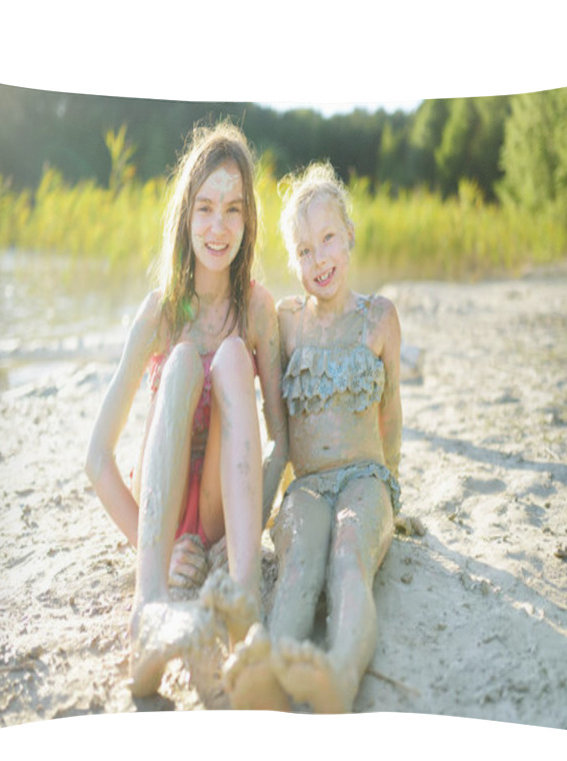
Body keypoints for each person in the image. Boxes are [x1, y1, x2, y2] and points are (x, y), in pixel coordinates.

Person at [85, 121, 287, 697]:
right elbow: (97, 457)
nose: (218, 226)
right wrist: (156, 543)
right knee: (180, 366)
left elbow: (282, 445)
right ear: (186, 215)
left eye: (233, 210)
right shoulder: (159, 313)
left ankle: (243, 595)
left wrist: (243, 535)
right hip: (169, 516)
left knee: (227, 360)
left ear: (248, 222)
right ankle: (146, 610)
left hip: (225, 511)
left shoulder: (257, 311)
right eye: (205, 208)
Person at [223, 161, 403, 712]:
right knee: (300, 561)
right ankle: (273, 667)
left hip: (365, 480)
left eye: (328, 239)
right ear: (293, 260)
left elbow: (391, 413)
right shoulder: (288, 321)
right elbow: (275, 427)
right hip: (306, 486)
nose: (319, 258)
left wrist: (394, 489)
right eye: (304, 249)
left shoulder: (379, 318)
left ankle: (340, 674)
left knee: (349, 556)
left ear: (349, 236)